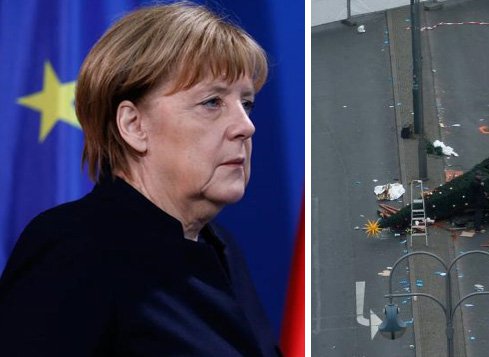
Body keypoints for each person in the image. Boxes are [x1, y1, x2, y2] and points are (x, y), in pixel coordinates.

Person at [0, 3, 280, 355]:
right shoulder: (74, 248)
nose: (246, 126)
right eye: (212, 102)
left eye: (247, 103)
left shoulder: (220, 247)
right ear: (134, 126)